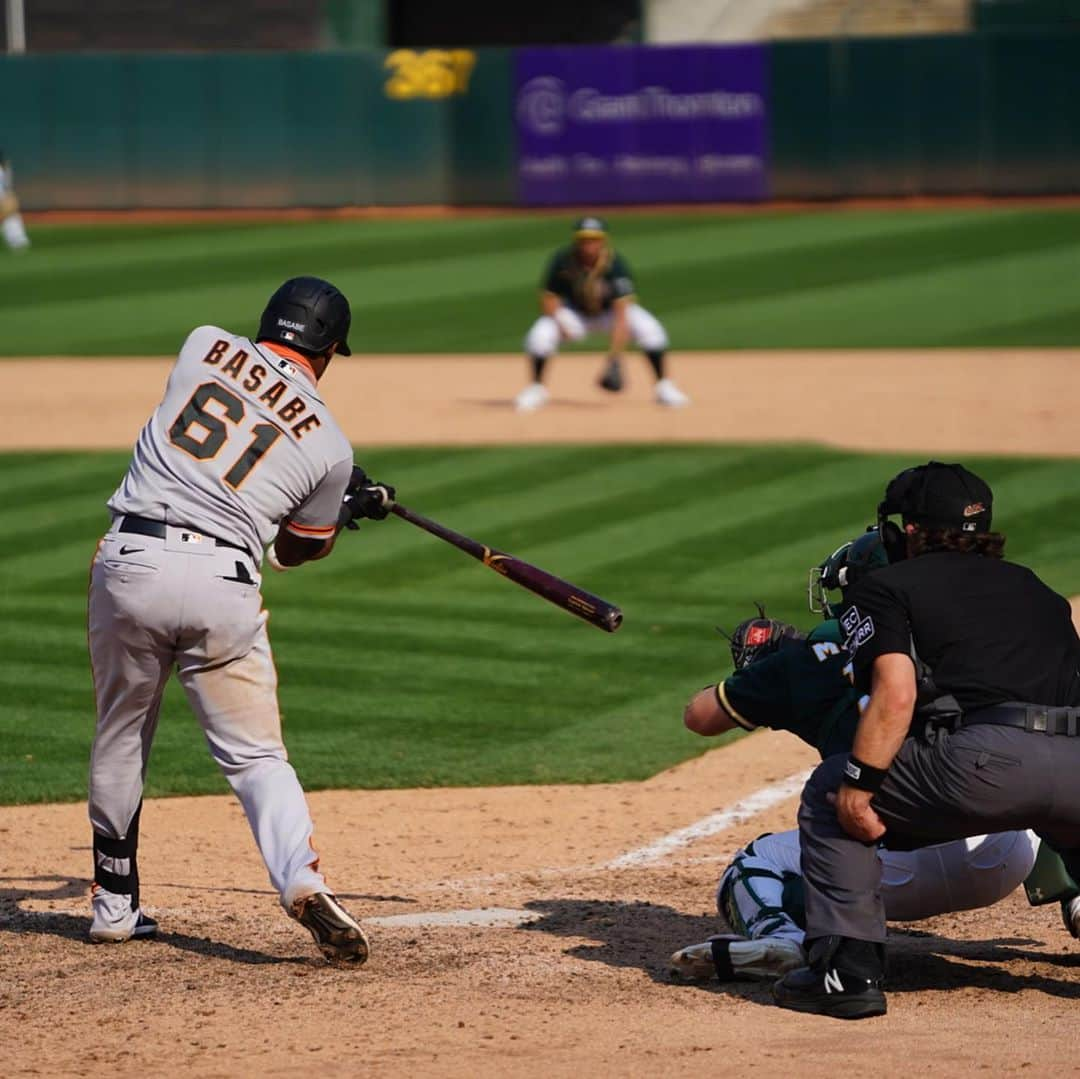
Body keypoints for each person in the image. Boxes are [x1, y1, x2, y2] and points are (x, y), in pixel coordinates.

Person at [86, 276, 395, 964]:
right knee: (256, 756)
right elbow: (294, 548)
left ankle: (113, 905)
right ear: (331, 348)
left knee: (122, 728)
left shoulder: (202, 343)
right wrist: (348, 503)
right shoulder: (329, 446)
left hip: (129, 560)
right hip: (221, 582)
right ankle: (302, 879)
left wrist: (339, 494)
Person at [773, 461, 1080, 1019]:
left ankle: (845, 974)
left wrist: (860, 785)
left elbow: (895, 693)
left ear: (907, 531)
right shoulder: (1036, 587)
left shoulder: (888, 586)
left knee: (829, 790)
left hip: (985, 768)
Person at [669, 532, 1038, 983]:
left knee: (754, 862)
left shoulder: (803, 662)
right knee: (1043, 760)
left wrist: (764, 674)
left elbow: (700, 716)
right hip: (1001, 856)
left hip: (884, 872)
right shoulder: (971, 638)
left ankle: (782, 936)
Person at [513, 216, 689, 411]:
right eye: (584, 238)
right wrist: (560, 323)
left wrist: (614, 358)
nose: (589, 244)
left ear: (603, 240)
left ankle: (664, 387)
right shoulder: (563, 260)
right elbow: (549, 298)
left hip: (609, 315)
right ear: (576, 240)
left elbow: (622, 315)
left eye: (594, 239)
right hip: (575, 315)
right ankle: (536, 388)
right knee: (539, 335)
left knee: (651, 330)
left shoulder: (615, 265)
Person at [0, 150, 30, 251]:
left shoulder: (3, 170)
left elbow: (8, 191)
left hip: (4, 201)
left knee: (12, 220)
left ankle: (18, 244)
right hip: (5, 202)